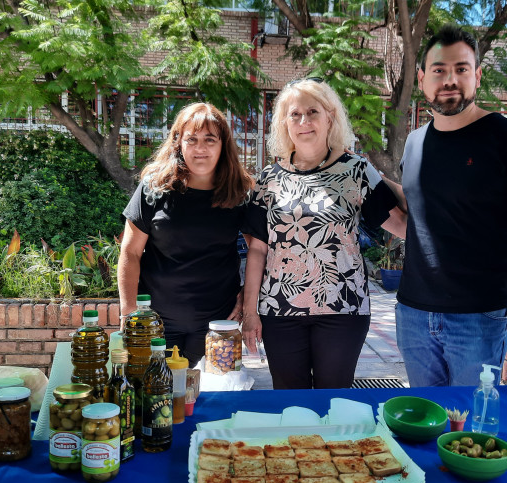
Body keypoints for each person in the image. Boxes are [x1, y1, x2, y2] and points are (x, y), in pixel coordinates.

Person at [396, 25, 507, 388]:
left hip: (479, 319)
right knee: (424, 428)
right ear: (422, 79)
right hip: (414, 315)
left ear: (477, 76)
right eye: (439, 70)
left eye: (461, 69)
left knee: (473, 434)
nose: (450, 80)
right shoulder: (415, 143)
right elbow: (419, 212)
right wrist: (358, 176)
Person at [242, 78, 406, 389]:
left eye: (312, 112)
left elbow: (401, 224)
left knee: (334, 402)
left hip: (343, 311)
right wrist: (250, 312)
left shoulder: (356, 170)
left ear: (329, 117)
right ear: (284, 123)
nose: (303, 122)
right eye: (294, 114)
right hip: (280, 311)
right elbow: (257, 250)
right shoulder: (268, 179)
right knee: (289, 405)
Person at [118, 102, 253, 365]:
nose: (200, 148)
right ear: (178, 143)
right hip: (156, 326)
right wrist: (128, 313)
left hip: (218, 325)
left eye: (210, 139)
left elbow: (262, 251)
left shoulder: (240, 192)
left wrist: (248, 296)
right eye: (192, 139)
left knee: (209, 400)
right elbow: (130, 252)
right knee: (156, 397)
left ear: (223, 145)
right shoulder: (154, 188)